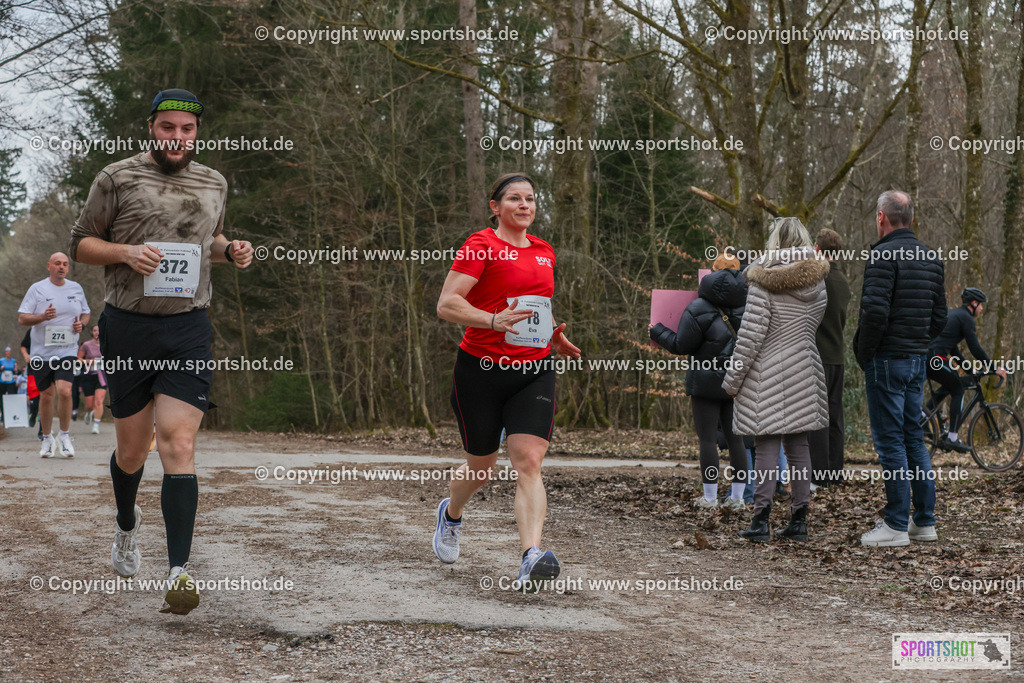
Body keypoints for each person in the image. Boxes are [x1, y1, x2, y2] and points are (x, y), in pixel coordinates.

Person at [69, 88, 254, 614]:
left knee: (177, 443)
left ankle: (178, 571)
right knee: (132, 451)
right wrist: (125, 251)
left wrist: (232, 250)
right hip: (127, 326)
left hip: (187, 328)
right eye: (169, 128)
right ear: (152, 127)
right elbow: (82, 241)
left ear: (197, 132)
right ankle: (127, 525)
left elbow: (208, 242)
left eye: (187, 130)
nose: (178, 138)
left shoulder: (213, 181)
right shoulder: (116, 177)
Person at [434, 172, 581, 592]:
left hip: (533, 368)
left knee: (529, 462)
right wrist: (492, 321)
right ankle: (452, 513)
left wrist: (552, 334)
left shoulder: (544, 251)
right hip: (479, 369)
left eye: (531, 199)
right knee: (481, 468)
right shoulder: (480, 245)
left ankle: (530, 557)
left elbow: (536, 304)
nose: (525, 205)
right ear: (496, 208)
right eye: (514, 199)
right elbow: (448, 304)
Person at [723, 217, 830, 542]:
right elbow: (812, 324)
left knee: (766, 443)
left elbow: (750, 336)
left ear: (775, 240)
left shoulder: (762, 279)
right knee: (798, 445)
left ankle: (761, 520)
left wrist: (732, 380)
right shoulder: (818, 280)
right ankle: (799, 520)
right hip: (805, 369)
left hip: (766, 373)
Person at [854, 190, 946, 547]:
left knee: (891, 441)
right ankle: (924, 521)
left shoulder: (882, 255)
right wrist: (918, 341)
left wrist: (865, 353)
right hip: (916, 361)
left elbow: (874, 313)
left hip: (888, 360)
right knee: (913, 439)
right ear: (909, 218)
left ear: (882, 217)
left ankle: (894, 524)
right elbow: (939, 317)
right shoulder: (932, 258)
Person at [650, 252, 748, 510]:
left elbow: (681, 345)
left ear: (712, 272)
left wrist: (657, 331)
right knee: (736, 439)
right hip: (738, 380)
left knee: (707, 440)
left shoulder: (697, 307)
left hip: (705, 382)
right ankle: (737, 499)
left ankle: (710, 497)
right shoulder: (751, 305)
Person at [18, 252, 90, 457]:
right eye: (57, 263)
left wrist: (81, 324)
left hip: (67, 350)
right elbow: (22, 319)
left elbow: (86, 312)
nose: (62, 267)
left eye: (65, 264)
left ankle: (65, 435)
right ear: (49, 266)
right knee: (47, 395)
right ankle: (48, 439)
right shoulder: (37, 289)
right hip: (41, 352)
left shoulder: (76, 288)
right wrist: (42, 316)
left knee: (65, 391)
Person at [924, 288, 1006, 453]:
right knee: (958, 389)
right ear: (974, 303)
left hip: (931, 357)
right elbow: (975, 348)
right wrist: (994, 368)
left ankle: (924, 417)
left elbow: (953, 350)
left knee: (951, 383)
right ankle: (952, 438)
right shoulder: (966, 318)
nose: (982, 309)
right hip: (935, 358)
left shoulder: (956, 315)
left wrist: (969, 370)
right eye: (981, 305)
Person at [808, 228, 852, 487]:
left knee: (818, 416)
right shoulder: (843, 281)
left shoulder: (817, 280)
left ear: (818, 249)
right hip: (837, 355)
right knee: (835, 415)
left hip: (818, 355)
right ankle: (835, 472)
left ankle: (819, 475)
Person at [78, 325, 108, 434]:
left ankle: (96, 424)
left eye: (99, 330)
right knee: (90, 405)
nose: (97, 332)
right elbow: (78, 359)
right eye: (95, 330)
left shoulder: (107, 344)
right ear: (92, 333)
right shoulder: (86, 345)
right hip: (88, 375)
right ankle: (89, 412)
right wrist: (89, 361)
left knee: (99, 401)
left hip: (102, 375)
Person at [20, 330, 40, 434]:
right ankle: (33, 412)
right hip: (33, 370)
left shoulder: (54, 329)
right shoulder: (32, 330)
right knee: (34, 401)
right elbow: (23, 346)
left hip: (49, 369)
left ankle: (43, 430)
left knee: (45, 398)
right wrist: (26, 355)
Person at [0, 346, 19, 422]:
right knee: (1, 398)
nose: (8, 353)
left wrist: (16, 370)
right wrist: (1, 368)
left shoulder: (13, 361)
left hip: (11, 381)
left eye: (9, 351)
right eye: (7, 351)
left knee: (11, 397)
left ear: (10, 352)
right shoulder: (1, 360)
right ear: (5, 353)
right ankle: (3, 416)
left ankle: (11, 414)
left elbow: (16, 371)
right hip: (2, 381)